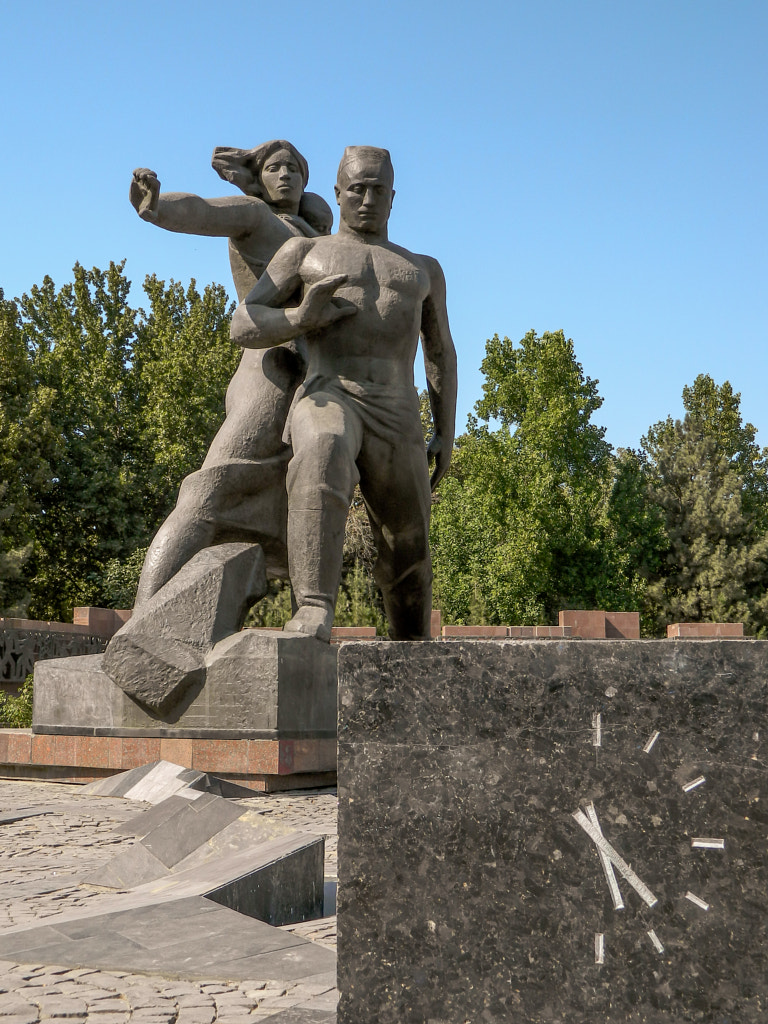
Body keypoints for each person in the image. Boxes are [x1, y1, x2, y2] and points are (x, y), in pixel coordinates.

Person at [230, 146, 457, 641]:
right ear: (337, 193)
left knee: (408, 544)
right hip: (328, 390)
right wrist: (298, 319)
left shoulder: (423, 270)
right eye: (357, 189)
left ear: (394, 197)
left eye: (378, 190)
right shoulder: (304, 253)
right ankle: (312, 607)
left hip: (397, 410)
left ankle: (412, 644)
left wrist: (447, 432)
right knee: (323, 449)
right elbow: (243, 321)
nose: (368, 199)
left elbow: (440, 353)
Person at [129, 141, 333, 606]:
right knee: (212, 485)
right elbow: (203, 211)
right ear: (256, 178)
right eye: (275, 168)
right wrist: (157, 207)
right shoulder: (257, 217)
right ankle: (143, 614)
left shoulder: (317, 234)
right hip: (269, 368)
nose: (286, 176)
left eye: (295, 169)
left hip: (315, 377)